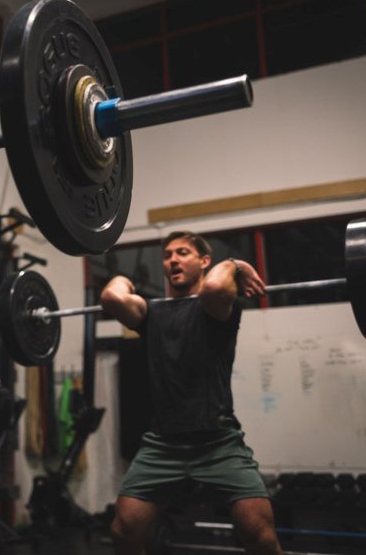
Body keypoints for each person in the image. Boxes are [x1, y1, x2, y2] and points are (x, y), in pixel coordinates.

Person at [100, 231, 283, 555]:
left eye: (183, 252)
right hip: (162, 443)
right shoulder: (150, 312)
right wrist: (121, 277)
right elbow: (112, 298)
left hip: (217, 441)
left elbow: (214, 286)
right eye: (168, 255)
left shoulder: (218, 307)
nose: (172, 260)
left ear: (204, 262)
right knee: (123, 532)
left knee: (260, 537)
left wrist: (236, 264)